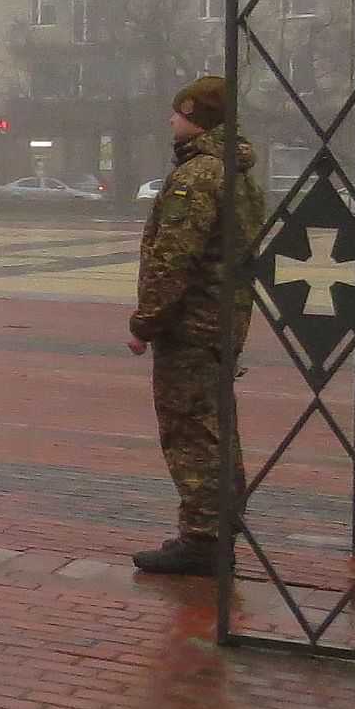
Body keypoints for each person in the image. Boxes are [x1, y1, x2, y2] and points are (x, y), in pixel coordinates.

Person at [129, 74, 266, 576]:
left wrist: (145, 323)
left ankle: (204, 540)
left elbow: (174, 259)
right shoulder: (239, 171)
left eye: (178, 113)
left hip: (192, 325)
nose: (171, 120)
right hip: (225, 319)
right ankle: (217, 531)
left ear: (196, 116)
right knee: (216, 428)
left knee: (191, 433)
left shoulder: (199, 175)